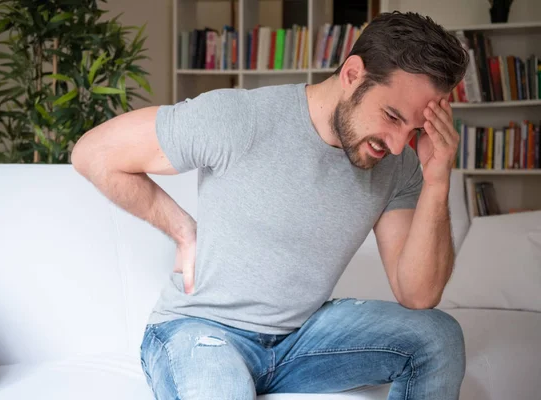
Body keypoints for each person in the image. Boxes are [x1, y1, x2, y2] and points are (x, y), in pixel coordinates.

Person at [72, 10, 469, 400]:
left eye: (414, 129)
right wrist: (183, 230)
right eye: (391, 116)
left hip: (300, 339)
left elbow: (418, 295)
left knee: (437, 336)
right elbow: (93, 153)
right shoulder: (241, 117)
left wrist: (436, 180)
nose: (399, 144)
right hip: (201, 330)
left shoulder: (399, 164)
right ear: (352, 75)